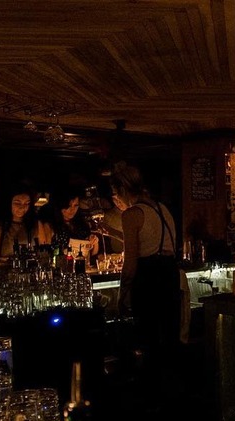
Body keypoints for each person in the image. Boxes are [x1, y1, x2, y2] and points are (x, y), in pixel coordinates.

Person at [109, 160, 181, 404]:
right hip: (170, 277)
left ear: (121, 191)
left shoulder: (131, 214)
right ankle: (171, 397)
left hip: (149, 280)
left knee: (148, 341)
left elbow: (130, 262)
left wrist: (122, 293)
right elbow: (152, 240)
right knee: (168, 340)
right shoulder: (162, 208)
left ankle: (150, 400)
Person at [38, 185, 99, 258]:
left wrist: (95, 242)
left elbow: (92, 254)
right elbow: (45, 253)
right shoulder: (50, 226)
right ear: (60, 205)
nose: (72, 210)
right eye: (69, 206)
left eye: (76, 205)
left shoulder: (81, 225)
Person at [0, 183, 41, 258]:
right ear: (9, 203)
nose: (22, 208)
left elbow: (43, 253)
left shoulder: (35, 225)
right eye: (17, 203)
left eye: (27, 203)